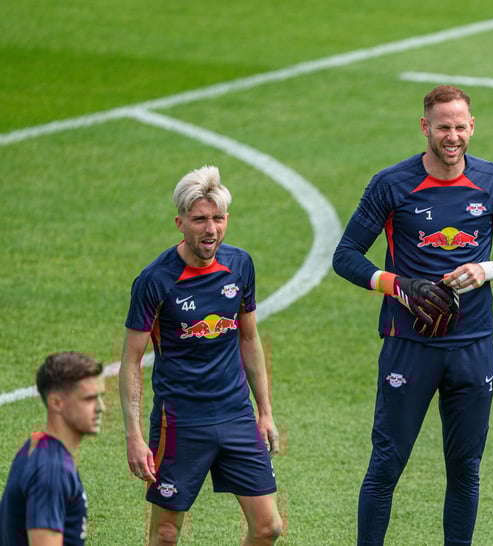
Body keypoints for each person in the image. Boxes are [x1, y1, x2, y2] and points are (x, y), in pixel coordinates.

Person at [333, 84, 493, 545]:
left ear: (472, 127)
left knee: (466, 468)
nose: (453, 136)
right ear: (426, 127)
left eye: (461, 127)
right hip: (409, 346)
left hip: (473, 347)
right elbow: (346, 256)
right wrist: (397, 285)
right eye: (443, 127)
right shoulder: (392, 184)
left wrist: (487, 269)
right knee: (386, 466)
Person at [119, 166, 283, 545]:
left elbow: (249, 339)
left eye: (217, 218)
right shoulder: (155, 281)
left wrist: (266, 411)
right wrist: (133, 436)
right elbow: (131, 361)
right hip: (180, 422)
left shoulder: (239, 265)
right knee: (164, 534)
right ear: (180, 222)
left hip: (236, 414)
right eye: (199, 220)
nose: (210, 230)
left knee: (268, 527)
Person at [1, 352, 104, 545]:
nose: (101, 407)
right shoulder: (52, 469)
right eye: (89, 399)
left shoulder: (36, 446)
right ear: (56, 403)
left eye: (100, 397)